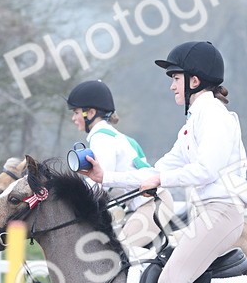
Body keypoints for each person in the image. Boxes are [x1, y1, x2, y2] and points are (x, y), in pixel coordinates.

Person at [78, 41, 247, 283]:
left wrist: (161, 180)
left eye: (175, 77)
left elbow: (205, 170)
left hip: (222, 212)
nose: (171, 84)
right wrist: (104, 178)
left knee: (171, 280)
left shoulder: (214, 115)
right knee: (158, 269)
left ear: (195, 81)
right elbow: (157, 170)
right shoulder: (192, 123)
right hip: (205, 213)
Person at [66, 79, 174, 251]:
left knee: (117, 255)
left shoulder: (101, 139)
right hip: (143, 205)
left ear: (91, 112)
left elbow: (98, 185)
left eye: (76, 112)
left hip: (151, 204)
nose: (73, 118)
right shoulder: (112, 135)